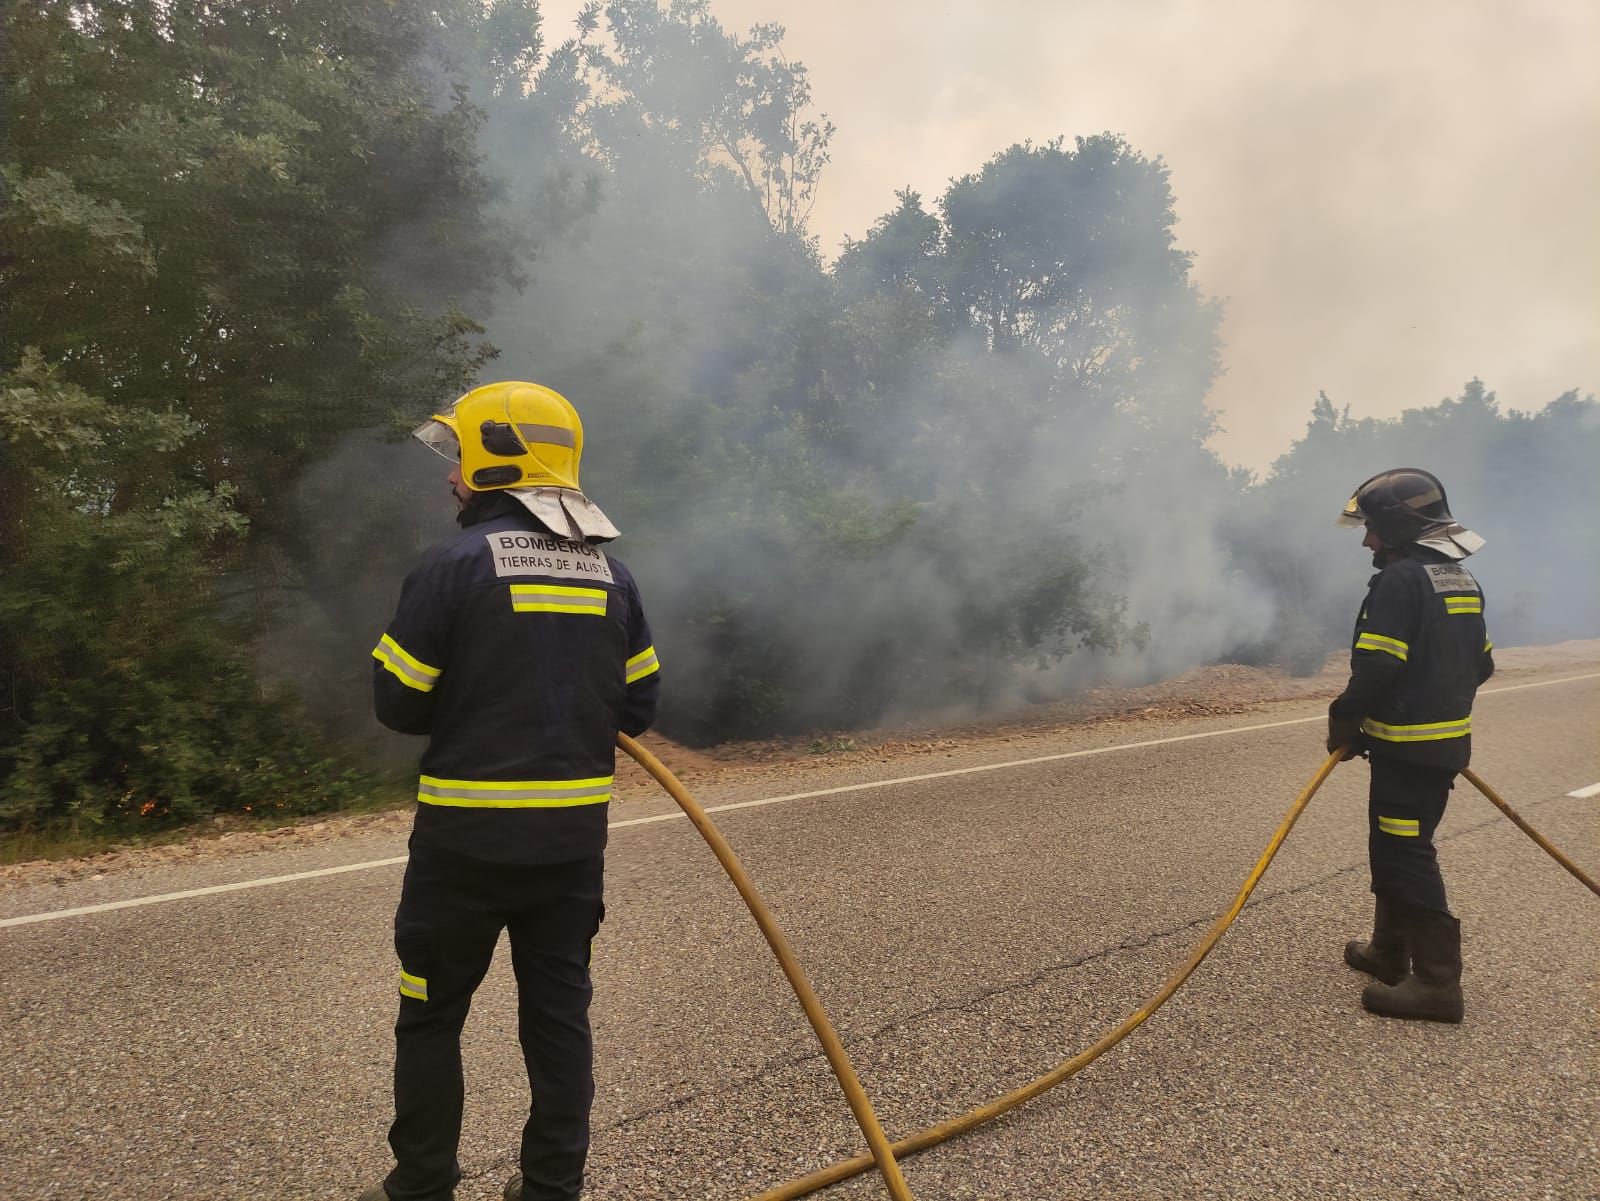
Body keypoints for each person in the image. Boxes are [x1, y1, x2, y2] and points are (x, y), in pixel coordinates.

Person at [362, 381, 661, 1201]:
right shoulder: (614, 577)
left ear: (496, 460)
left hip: (461, 850)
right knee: (558, 1017)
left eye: (459, 457)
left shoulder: (451, 567)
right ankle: (551, 1189)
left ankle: (421, 1185)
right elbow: (639, 705)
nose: (451, 476)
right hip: (569, 851)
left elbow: (399, 702)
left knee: (430, 1013)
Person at [1328, 467, 1492, 1024]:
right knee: (1392, 844)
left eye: (1372, 528)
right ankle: (1388, 951)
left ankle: (1438, 985)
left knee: (1406, 852)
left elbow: (1379, 663)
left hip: (1408, 750)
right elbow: (1483, 663)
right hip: (1437, 748)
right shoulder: (1460, 579)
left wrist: (1345, 718)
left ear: (1398, 527)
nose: (1367, 540)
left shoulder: (1399, 581)